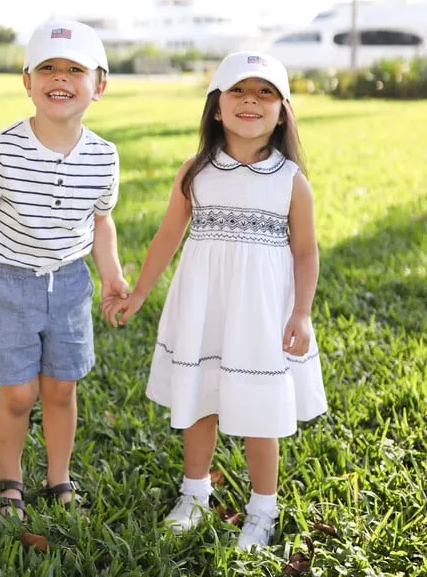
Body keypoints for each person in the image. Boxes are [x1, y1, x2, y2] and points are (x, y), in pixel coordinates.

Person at [103, 51, 328, 550]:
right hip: (203, 305)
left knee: (259, 409)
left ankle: (262, 508)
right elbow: (166, 236)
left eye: (265, 92)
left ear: (283, 110)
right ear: (216, 108)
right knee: (200, 399)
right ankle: (195, 493)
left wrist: (302, 313)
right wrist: (139, 292)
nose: (251, 101)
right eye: (238, 92)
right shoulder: (195, 171)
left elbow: (307, 252)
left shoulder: (291, 181)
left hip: (261, 313)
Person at [0, 19, 128, 520]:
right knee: (19, 392)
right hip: (9, 282)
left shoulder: (103, 156)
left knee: (61, 388)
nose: (60, 78)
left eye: (75, 69)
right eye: (47, 68)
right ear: (27, 81)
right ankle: (10, 480)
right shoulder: (1, 148)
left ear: (100, 85)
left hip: (70, 284)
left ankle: (58, 478)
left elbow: (101, 220)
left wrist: (111, 272)